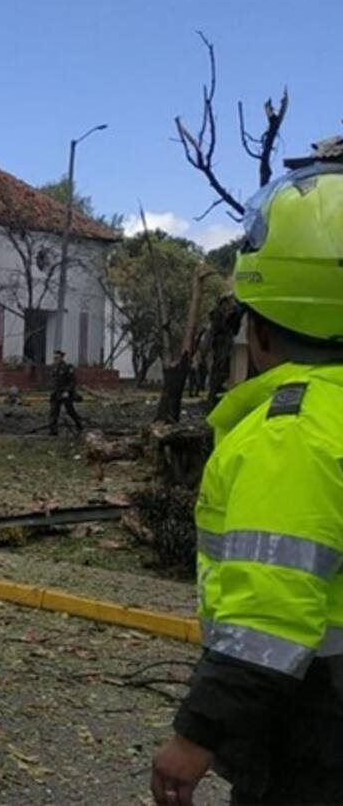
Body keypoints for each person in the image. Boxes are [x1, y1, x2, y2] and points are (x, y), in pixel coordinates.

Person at [150, 151, 343, 805]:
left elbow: (269, 612)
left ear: (258, 332)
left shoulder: (290, 433)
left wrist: (196, 736)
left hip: (314, 730)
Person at [47, 349, 82, 435]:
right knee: (53, 412)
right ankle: (53, 431)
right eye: (54, 358)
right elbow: (53, 380)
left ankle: (79, 424)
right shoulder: (53, 367)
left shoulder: (67, 367)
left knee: (70, 411)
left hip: (65, 393)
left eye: (57, 358)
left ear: (62, 358)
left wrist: (67, 391)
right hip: (55, 393)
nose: (56, 359)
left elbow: (72, 381)